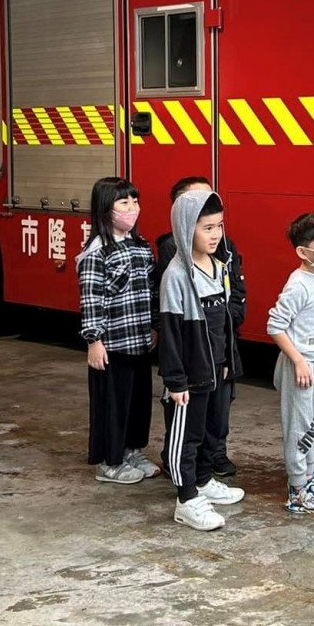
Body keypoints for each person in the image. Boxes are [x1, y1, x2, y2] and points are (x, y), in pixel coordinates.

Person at [158, 188, 244, 531]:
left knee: (211, 430)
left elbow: (222, 322)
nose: (215, 234)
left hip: (216, 371)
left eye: (219, 226)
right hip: (190, 378)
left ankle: (205, 481)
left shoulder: (219, 265)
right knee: (187, 437)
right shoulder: (176, 276)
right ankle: (187, 498)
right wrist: (175, 381)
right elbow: (171, 334)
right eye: (206, 227)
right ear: (184, 227)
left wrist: (226, 360)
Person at [78, 176, 160, 486]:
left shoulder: (140, 246)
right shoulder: (97, 252)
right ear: (105, 210)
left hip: (138, 342)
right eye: (123, 203)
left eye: (135, 201)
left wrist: (154, 327)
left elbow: (150, 291)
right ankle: (109, 461)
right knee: (111, 404)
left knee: (137, 402)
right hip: (112, 345)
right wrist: (94, 340)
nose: (132, 208)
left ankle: (132, 450)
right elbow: (91, 299)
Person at [267, 212, 314, 516]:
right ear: (303, 251)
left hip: (313, 362)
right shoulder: (298, 284)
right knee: (300, 429)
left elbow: (312, 322)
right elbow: (275, 325)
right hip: (299, 367)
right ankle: (298, 490)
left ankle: (309, 477)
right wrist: (298, 360)